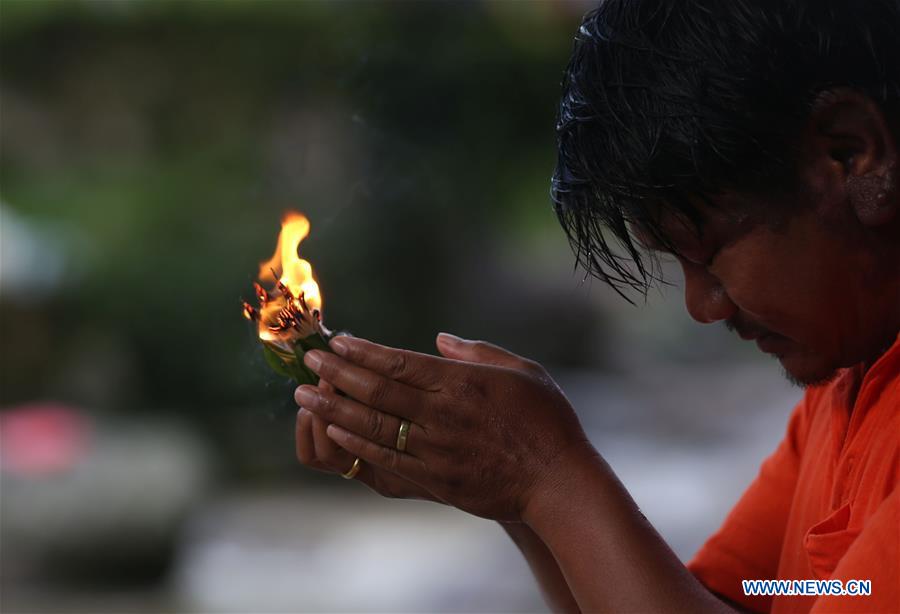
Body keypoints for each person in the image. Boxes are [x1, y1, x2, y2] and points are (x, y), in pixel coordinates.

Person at [294, 1, 900, 611]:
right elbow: (743, 597)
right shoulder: (847, 382)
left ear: (851, 154)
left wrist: (547, 475)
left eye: (709, 252)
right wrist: (506, 489)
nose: (703, 306)